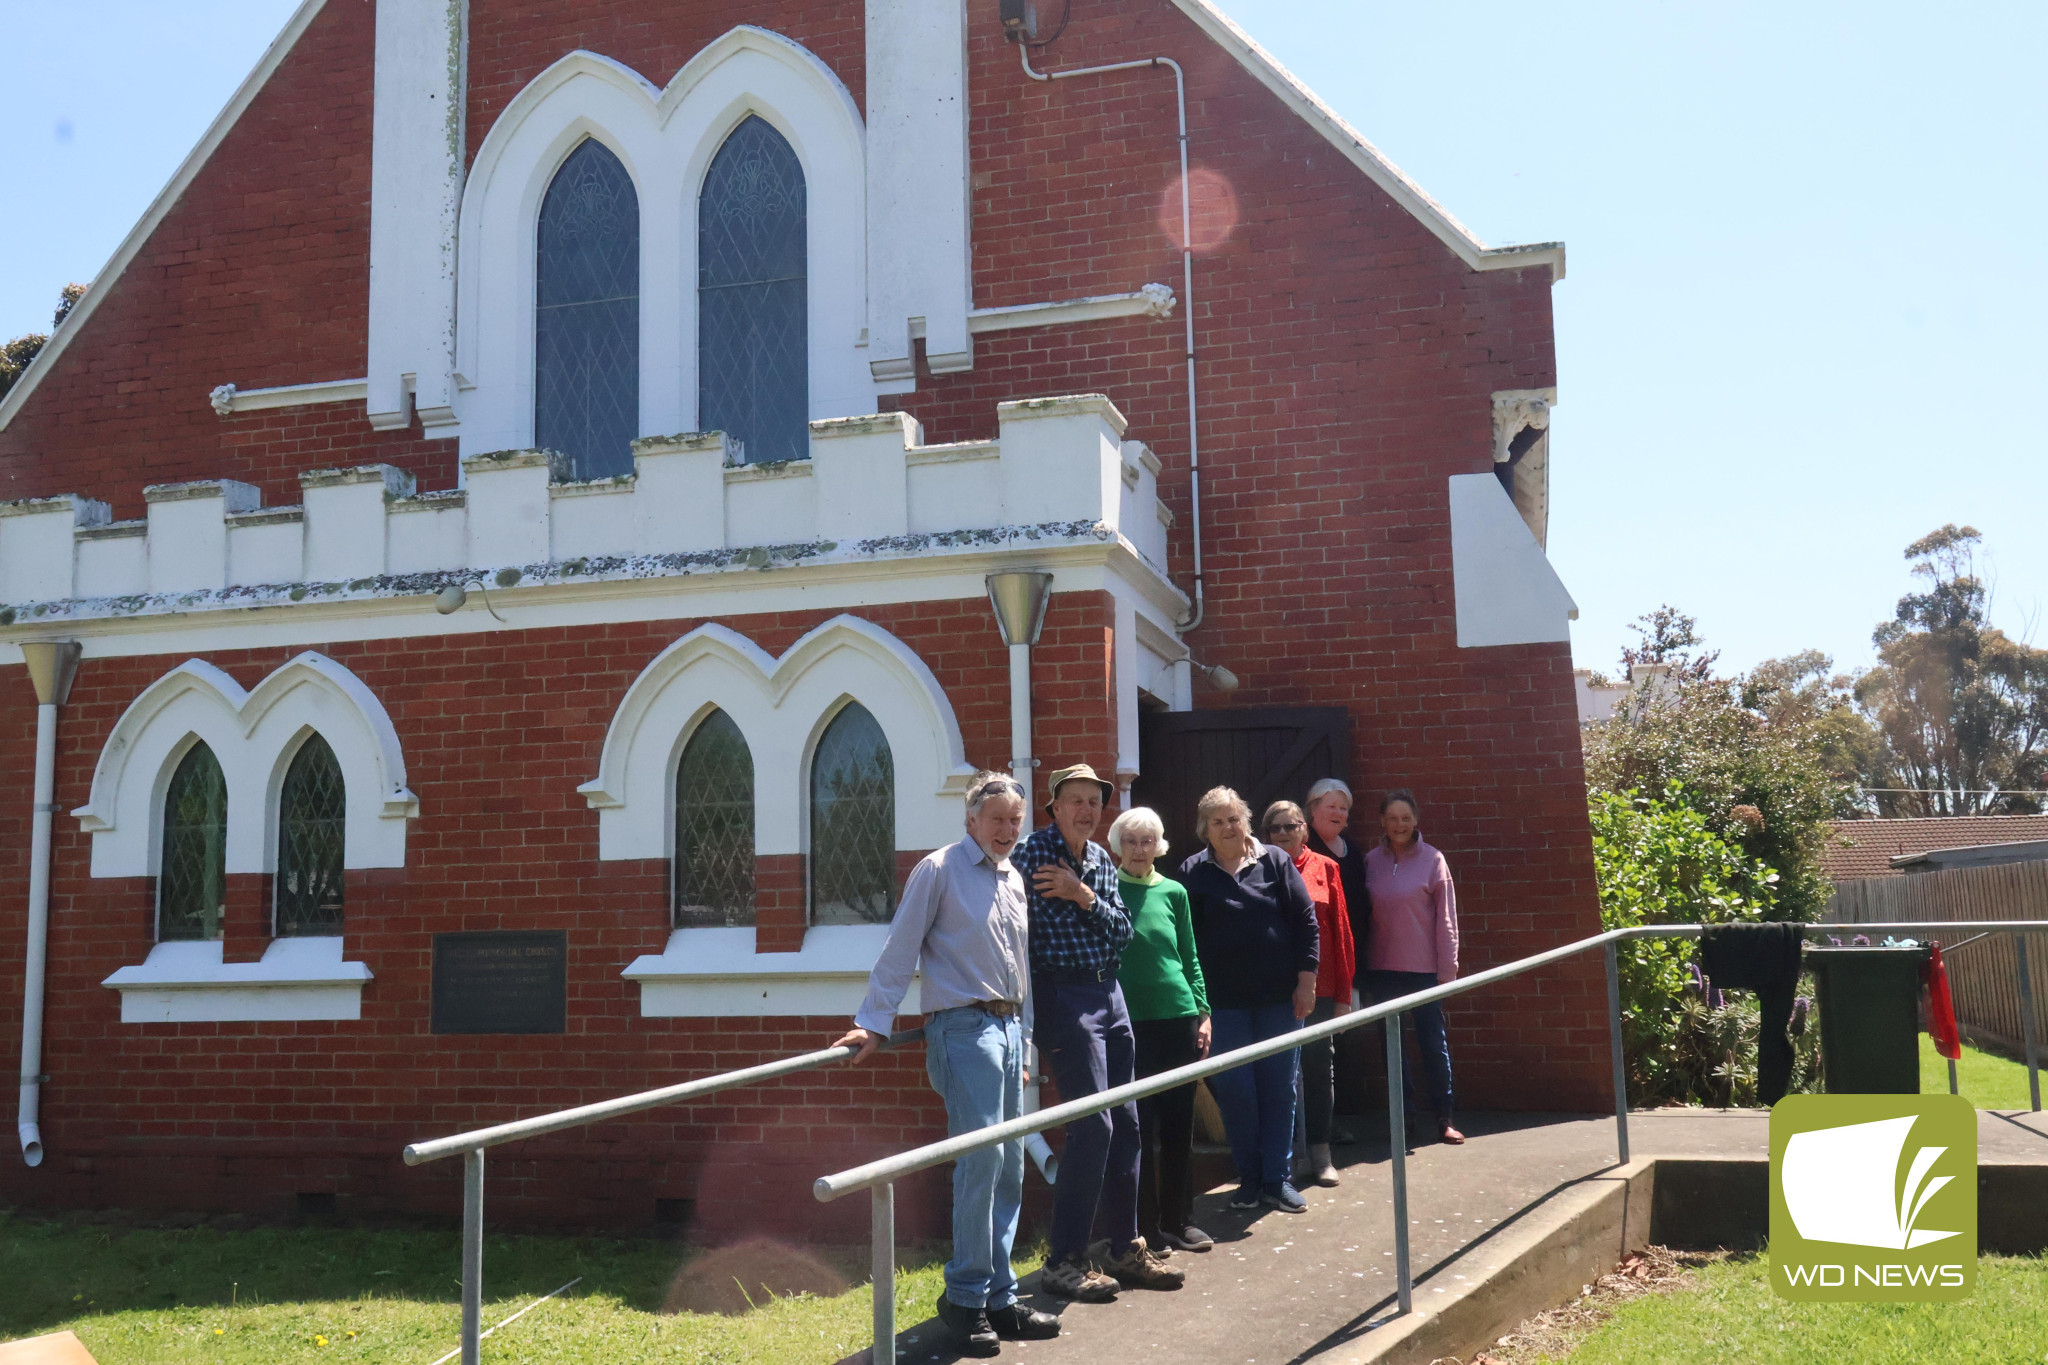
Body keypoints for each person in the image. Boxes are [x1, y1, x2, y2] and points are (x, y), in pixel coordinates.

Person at [835, 772, 1062, 1357]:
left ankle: (999, 1296)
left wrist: (1028, 1041)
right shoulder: (939, 869)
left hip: (1009, 1029)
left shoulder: (1014, 878)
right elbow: (900, 946)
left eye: (1016, 820)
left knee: (1010, 1164)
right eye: (997, 820)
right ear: (971, 822)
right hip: (964, 1029)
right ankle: (964, 1298)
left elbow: (1022, 970)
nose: (1008, 831)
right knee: (981, 1161)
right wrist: (874, 1022)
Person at [1012, 763, 1184, 1298]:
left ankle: (1123, 1245)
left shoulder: (1101, 863)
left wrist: (1080, 894)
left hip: (1111, 993)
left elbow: (1122, 934)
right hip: (1063, 996)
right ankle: (1063, 1259)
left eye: (1095, 802)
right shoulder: (1030, 856)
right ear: (1055, 807)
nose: (1087, 810)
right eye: (1077, 801)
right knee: (1094, 1126)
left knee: (1128, 1123)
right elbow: (1025, 930)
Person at [1179, 786, 1319, 1214]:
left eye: (1233, 818)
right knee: (1238, 1092)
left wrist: (1307, 982)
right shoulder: (1193, 872)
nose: (1227, 827)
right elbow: (1187, 940)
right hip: (1224, 1006)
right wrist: (1198, 1005)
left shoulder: (1274, 861)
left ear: (1246, 822)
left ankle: (1278, 1179)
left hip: (1279, 1000)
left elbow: (1305, 921)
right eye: (1217, 821)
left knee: (1279, 1089)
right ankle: (1249, 1178)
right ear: (1205, 830)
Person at [1107, 805, 1214, 1254]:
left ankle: (1181, 1220)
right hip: (1129, 1023)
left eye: (1147, 840)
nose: (1138, 848)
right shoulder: (1106, 890)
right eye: (1130, 840)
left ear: (1159, 845)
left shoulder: (1174, 892)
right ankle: (1145, 1227)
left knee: (1177, 1125)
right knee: (1137, 1128)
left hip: (1178, 1017)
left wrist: (1203, 1011)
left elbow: (1189, 956)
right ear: (1117, 846)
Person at [1362, 787, 1464, 1145]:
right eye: (1392, 818)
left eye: (1405, 818)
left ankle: (1444, 1117)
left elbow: (1446, 920)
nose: (1399, 824)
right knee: (1394, 1050)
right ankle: (1403, 1120)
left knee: (1432, 1044)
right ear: (1382, 822)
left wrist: (1447, 973)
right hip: (1383, 969)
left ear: (1416, 820)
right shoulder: (1371, 861)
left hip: (1424, 971)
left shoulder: (1433, 860)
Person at [1261, 800, 1354, 1187]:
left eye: (1290, 826)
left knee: (1317, 1068)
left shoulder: (1325, 867)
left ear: (1304, 828)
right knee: (1276, 1073)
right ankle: (1283, 1156)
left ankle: (1319, 1152)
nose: (1283, 834)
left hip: (1322, 987)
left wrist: (1345, 996)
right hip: (1271, 991)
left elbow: (1342, 933)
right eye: (1275, 829)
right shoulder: (1257, 870)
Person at [1305, 777, 1370, 1144]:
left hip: (1353, 961)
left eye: (1343, 808)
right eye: (1331, 806)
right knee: (1318, 1051)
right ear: (1312, 810)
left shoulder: (1354, 852)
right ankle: (1317, 1129)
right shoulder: (1304, 848)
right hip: (1318, 970)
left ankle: (1335, 1120)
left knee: (1345, 1043)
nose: (1338, 813)